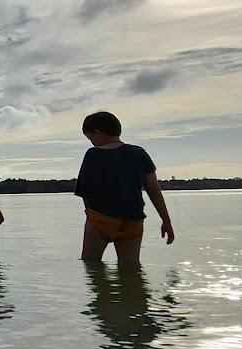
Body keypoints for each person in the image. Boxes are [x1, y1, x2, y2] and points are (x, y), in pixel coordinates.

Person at [75, 111, 175, 264]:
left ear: (98, 133)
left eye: (91, 138)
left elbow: (85, 191)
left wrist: (90, 215)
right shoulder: (139, 153)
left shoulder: (92, 155)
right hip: (132, 220)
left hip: (101, 220)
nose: (92, 143)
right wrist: (166, 221)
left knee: (91, 265)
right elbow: (153, 190)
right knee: (131, 269)